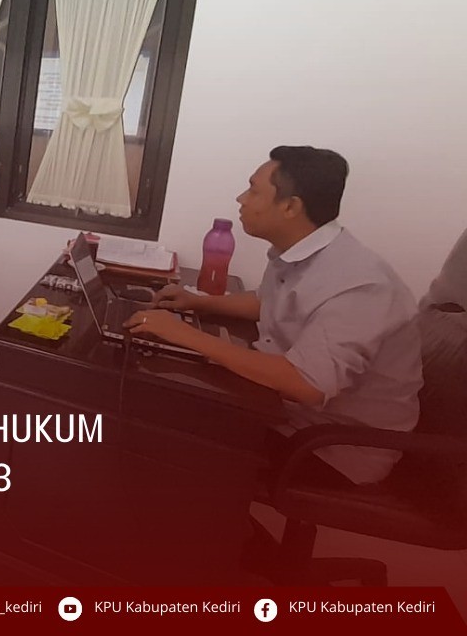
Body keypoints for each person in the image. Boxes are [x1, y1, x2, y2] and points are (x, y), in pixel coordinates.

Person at [126, 146, 422, 485]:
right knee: (162, 404)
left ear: (291, 206)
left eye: (253, 190)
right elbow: (269, 302)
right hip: (288, 416)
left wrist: (184, 335)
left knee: (161, 430)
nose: (241, 199)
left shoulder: (360, 285)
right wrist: (198, 303)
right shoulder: (304, 252)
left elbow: (308, 384)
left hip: (330, 448)